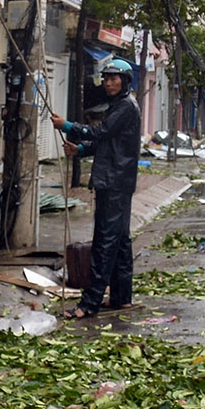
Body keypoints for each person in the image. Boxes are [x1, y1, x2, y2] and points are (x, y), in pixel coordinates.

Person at [52, 57, 143, 319]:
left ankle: (89, 304)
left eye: (114, 78)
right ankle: (121, 297)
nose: (109, 83)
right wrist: (79, 149)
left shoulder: (126, 106)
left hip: (114, 183)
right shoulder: (119, 105)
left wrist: (68, 126)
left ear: (125, 81)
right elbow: (108, 142)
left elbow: (101, 132)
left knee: (104, 242)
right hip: (116, 181)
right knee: (121, 241)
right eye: (106, 78)